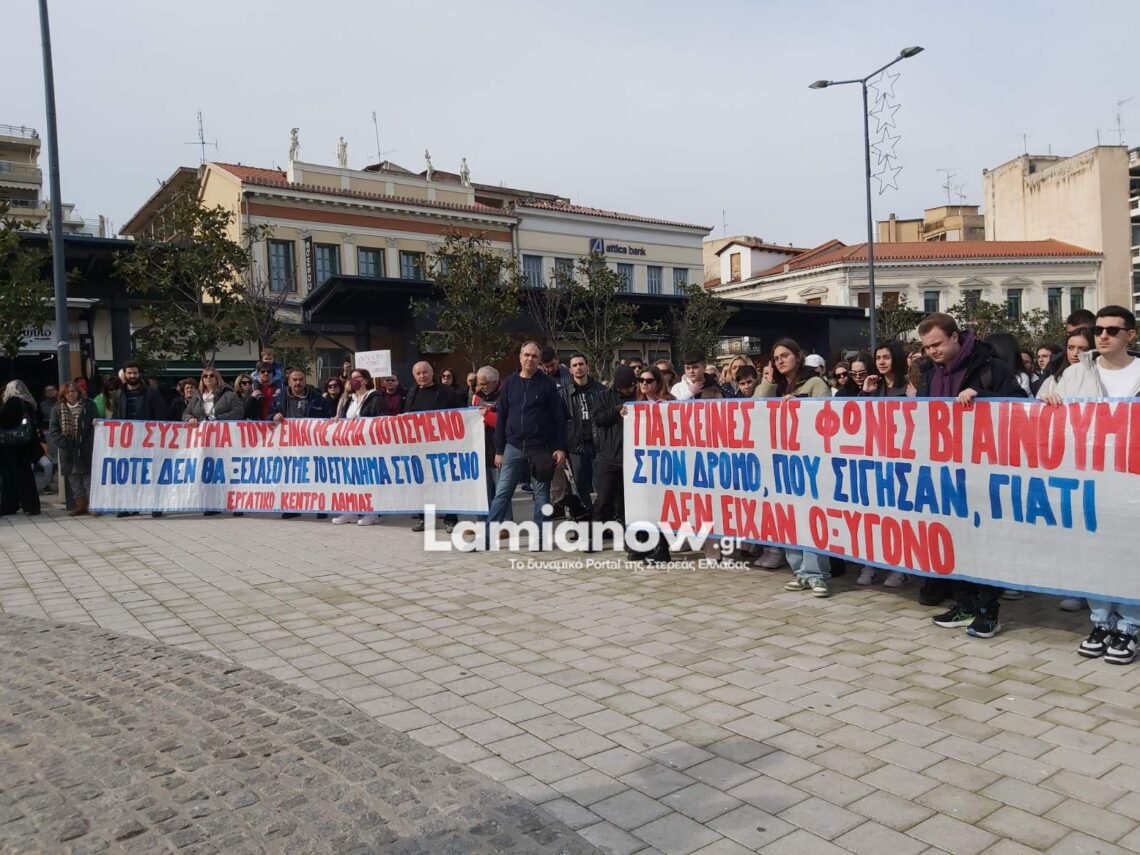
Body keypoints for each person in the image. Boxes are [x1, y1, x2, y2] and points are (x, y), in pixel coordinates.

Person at [916, 313, 1025, 637]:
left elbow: (1021, 406)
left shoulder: (991, 367)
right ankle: (964, 603)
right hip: (945, 470)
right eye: (927, 347)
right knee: (954, 539)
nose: (932, 351)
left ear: (955, 337)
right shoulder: (928, 373)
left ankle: (988, 609)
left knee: (985, 541)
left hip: (984, 469)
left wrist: (983, 397)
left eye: (937, 344)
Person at [1042, 306, 1140, 663]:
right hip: (1088, 478)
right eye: (1099, 329)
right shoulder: (1075, 373)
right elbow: (1043, 417)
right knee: (1093, 552)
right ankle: (1100, 621)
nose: (1104, 336)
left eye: (1113, 330)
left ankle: (1129, 625)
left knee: (1131, 553)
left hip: (1132, 480)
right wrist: (1046, 401)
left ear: (1131, 334)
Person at [756, 339, 833, 592]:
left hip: (810, 461)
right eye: (776, 358)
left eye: (785, 355)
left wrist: (801, 405)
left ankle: (816, 574)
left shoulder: (815, 383)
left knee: (811, 518)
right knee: (789, 518)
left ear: (798, 356)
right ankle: (799, 571)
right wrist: (768, 380)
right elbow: (756, 409)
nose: (780, 361)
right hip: (782, 462)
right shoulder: (776, 386)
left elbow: (827, 416)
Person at [487, 341, 567, 543]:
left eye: (534, 356)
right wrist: (499, 450)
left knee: (541, 495)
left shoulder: (547, 384)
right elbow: (502, 417)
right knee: (502, 493)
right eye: (527, 355)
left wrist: (560, 447)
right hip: (512, 447)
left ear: (539, 360)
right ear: (520, 357)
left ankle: (540, 539)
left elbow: (558, 418)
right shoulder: (509, 383)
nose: (530, 359)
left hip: (540, 448)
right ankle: (487, 536)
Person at [405, 362, 462, 533]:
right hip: (420, 448)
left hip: (443, 447)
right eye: (418, 373)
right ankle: (425, 519)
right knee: (423, 484)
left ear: (432, 373)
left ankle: (451, 519)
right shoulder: (412, 393)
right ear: (414, 376)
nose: (422, 376)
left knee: (446, 484)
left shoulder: (447, 392)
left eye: (425, 372)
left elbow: (461, 414)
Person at [273, 368, 331, 520]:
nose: (298, 382)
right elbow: (269, 414)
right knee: (292, 476)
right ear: (289, 381)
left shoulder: (317, 398)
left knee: (316, 475)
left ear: (305, 381)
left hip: (314, 444)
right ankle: (293, 507)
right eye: (294, 380)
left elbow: (328, 418)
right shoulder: (280, 397)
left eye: (300, 379)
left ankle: (321, 506)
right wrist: (274, 415)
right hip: (290, 445)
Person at [332, 367, 384, 526]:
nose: (353, 380)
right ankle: (352, 510)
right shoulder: (351, 399)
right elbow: (344, 418)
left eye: (357, 377)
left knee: (369, 478)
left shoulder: (375, 397)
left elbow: (380, 419)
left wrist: (362, 421)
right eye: (351, 378)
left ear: (366, 380)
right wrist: (338, 419)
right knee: (352, 478)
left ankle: (372, 512)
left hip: (369, 446)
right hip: (351, 446)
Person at [560, 353, 606, 521]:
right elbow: (559, 422)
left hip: (599, 445)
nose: (578, 368)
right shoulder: (563, 393)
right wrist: (561, 448)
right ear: (570, 370)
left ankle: (602, 518)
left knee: (602, 484)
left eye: (581, 364)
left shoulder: (600, 390)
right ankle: (584, 518)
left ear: (587, 366)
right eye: (575, 365)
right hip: (576, 446)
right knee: (580, 486)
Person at [591, 366, 637, 532]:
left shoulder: (639, 396)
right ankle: (596, 531)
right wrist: (617, 410)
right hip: (609, 455)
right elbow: (598, 419)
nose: (629, 390)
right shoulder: (603, 397)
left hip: (632, 457)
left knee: (628, 500)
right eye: (625, 387)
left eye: (631, 386)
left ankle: (626, 530)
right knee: (604, 498)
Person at [48, 382, 99, 517]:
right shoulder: (57, 409)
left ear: (78, 392)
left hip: (86, 448)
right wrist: (63, 443)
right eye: (68, 392)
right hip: (68, 449)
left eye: (73, 391)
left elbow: (96, 426)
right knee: (74, 480)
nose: (71, 394)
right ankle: (81, 507)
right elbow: (54, 429)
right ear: (63, 394)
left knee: (88, 479)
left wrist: (89, 443)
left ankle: (93, 506)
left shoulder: (89, 406)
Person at [0, 380, 42, 517]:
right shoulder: (28, 402)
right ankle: (30, 505)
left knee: (11, 476)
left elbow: (5, 420)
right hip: (25, 444)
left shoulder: (13, 401)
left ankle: (11, 505)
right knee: (25, 475)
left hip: (13, 446)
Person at [1036, 327, 1093, 401]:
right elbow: (1037, 405)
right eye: (1070, 348)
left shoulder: (1098, 376)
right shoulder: (1052, 381)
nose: (1075, 353)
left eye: (1082, 349)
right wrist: (1045, 399)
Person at [37, 384, 59, 495]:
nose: (50, 392)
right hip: (45, 434)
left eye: (52, 390)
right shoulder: (42, 405)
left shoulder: (60, 403)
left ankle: (46, 485)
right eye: (48, 390)